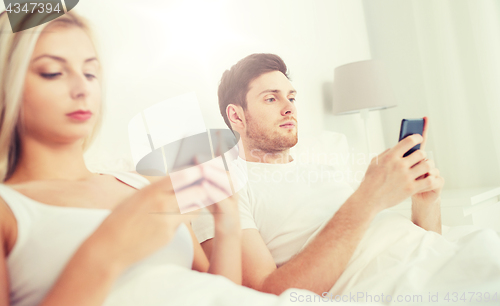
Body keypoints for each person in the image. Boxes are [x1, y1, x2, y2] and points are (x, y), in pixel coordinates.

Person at [0, 11, 304, 306]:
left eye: (90, 73)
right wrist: (108, 248)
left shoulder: (146, 187)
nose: (82, 89)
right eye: (52, 72)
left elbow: (218, 293)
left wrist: (227, 222)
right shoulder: (9, 209)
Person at [191, 53, 446, 296]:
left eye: (291, 97)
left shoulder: (325, 170)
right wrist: (368, 198)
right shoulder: (221, 187)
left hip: (436, 263)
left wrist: (426, 205)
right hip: (402, 287)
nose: (289, 107)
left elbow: (419, 245)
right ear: (236, 116)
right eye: (271, 98)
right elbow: (263, 294)